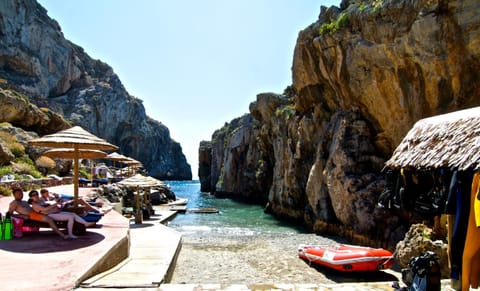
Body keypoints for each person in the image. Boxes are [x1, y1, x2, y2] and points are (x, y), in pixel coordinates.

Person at [29, 190, 95, 239]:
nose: (36, 196)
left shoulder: (40, 201)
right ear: (31, 197)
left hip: (55, 212)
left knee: (73, 214)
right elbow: (45, 210)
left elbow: (48, 203)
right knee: (70, 217)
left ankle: (85, 223)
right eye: (33, 195)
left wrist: (55, 202)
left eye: (36, 194)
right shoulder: (35, 205)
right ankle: (70, 234)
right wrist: (55, 204)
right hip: (50, 215)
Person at [39, 188, 110, 214]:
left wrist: (55, 195)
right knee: (79, 200)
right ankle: (94, 209)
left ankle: (95, 209)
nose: (48, 194)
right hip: (62, 207)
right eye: (46, 193)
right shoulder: (43, 199)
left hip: (64, 204)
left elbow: (62, 196)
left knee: (79, 201)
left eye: (48, 192)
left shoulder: (51, 196)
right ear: (43, 194)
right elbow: (49, 205)